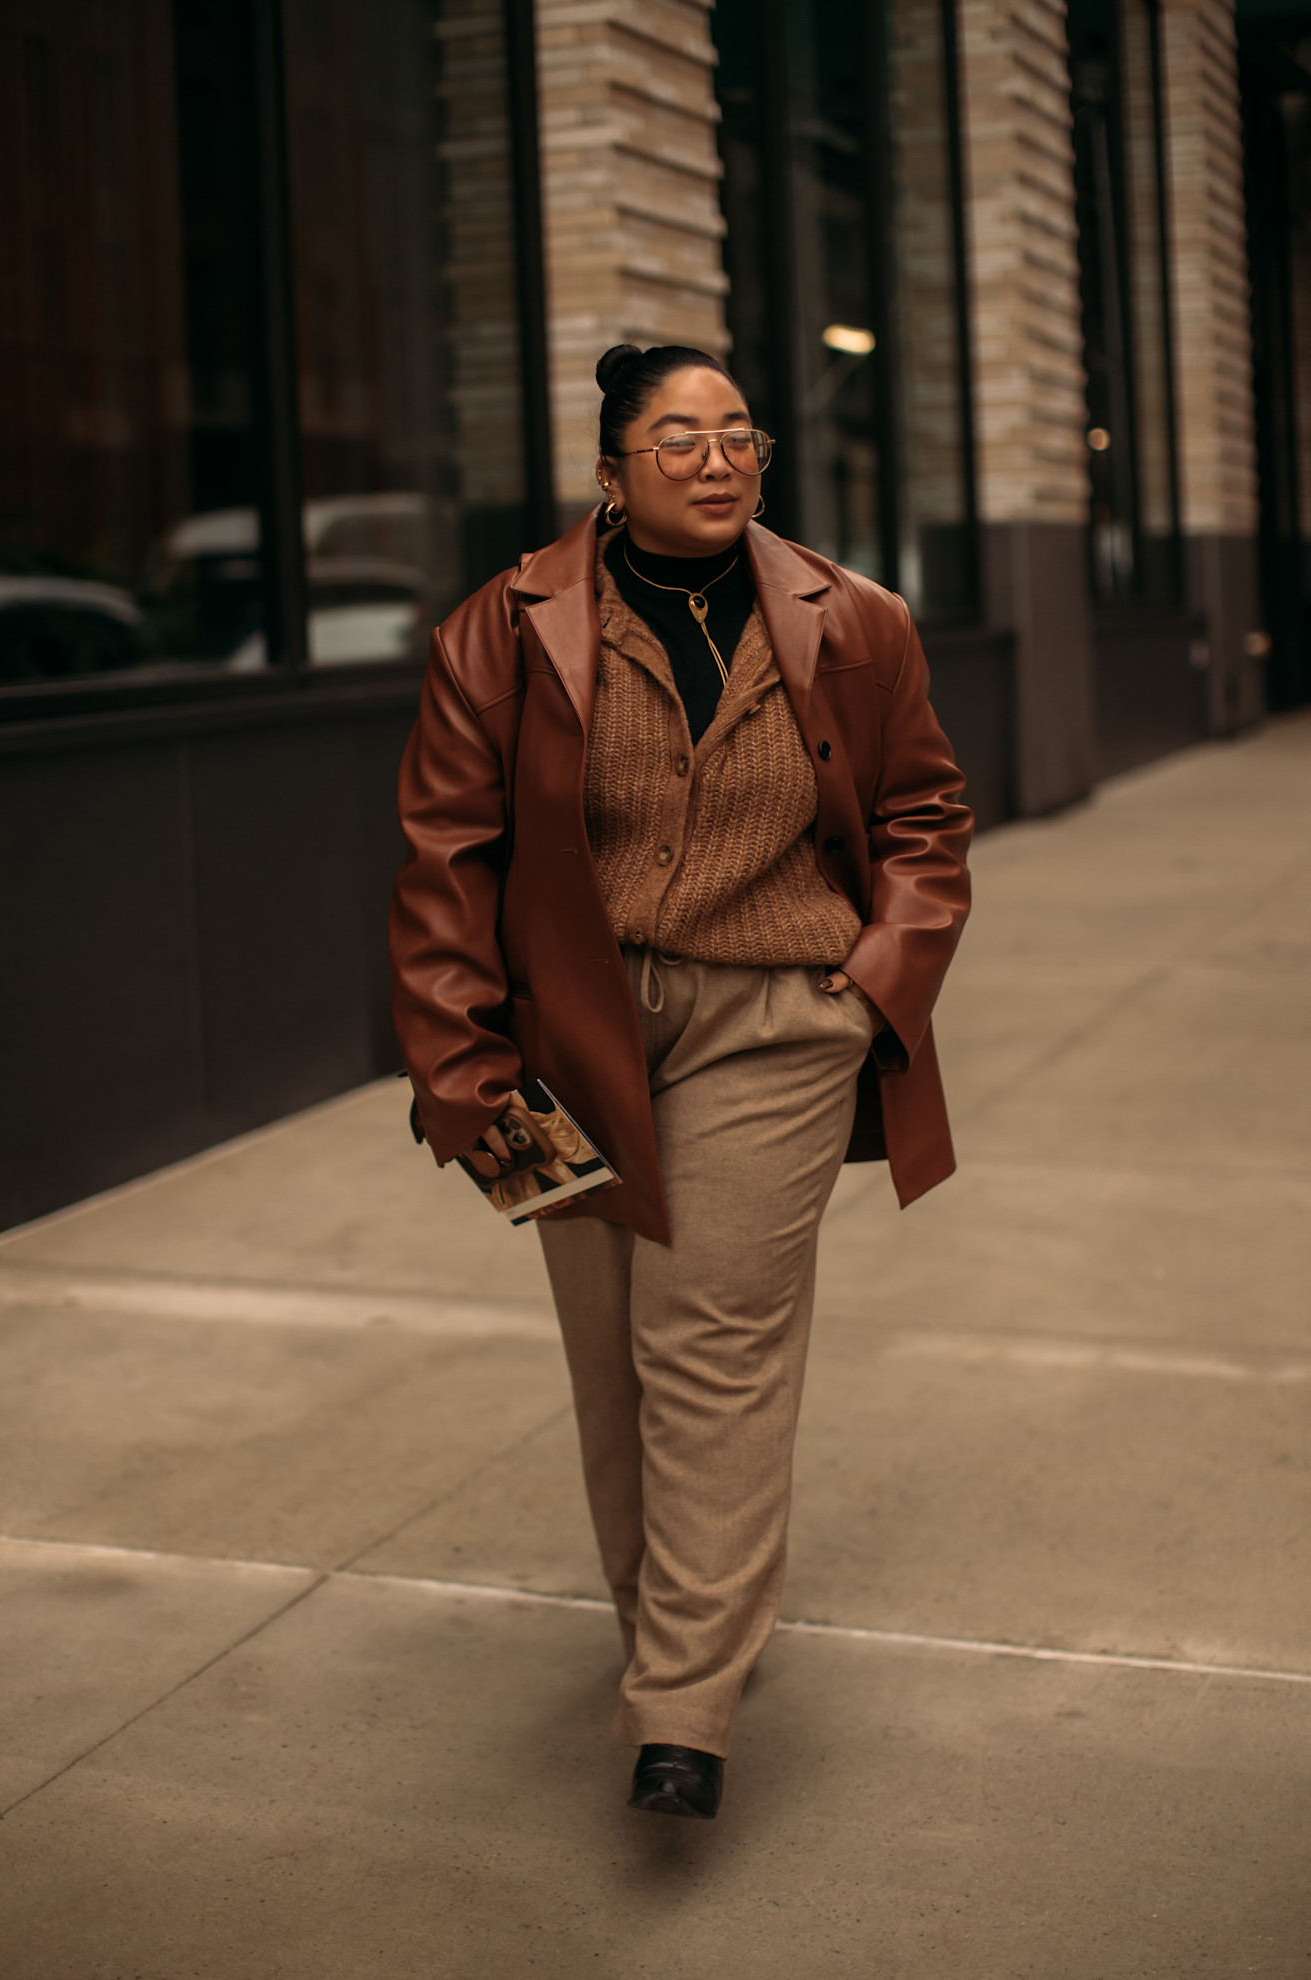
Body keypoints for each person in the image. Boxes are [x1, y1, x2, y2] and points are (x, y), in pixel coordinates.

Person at [389, 342, 973, 1821]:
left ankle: (684, 1705)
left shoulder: (854, 619)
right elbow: (446, 869)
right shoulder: (502, 629)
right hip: (567, 1035)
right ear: (609, 471)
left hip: (774, 1022)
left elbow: (924, 814)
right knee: (611, 1353)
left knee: (709, 1339)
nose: (716, 460)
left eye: (738, 436)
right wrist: (467, 1084)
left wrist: (872, 987)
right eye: (677, 439)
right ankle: (666, 1626)